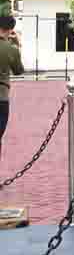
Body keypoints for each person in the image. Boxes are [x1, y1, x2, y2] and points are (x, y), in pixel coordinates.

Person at [0, 16, 24, 164]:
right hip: (2, 97)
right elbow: (18, 71)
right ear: (10, 30)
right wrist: (16, 45)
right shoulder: (11, 49)